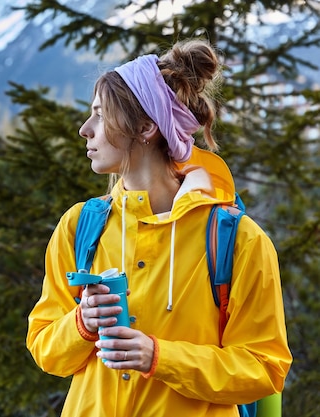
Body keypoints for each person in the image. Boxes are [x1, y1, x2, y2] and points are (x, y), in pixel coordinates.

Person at [26, 39, 292, 416]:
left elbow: (264, 368)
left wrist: (160, 357)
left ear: (147, 126)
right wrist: (81, 323)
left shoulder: (238, 241)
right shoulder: (79, 226)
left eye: (101, 116)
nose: (86, 129)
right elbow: (45, 350)